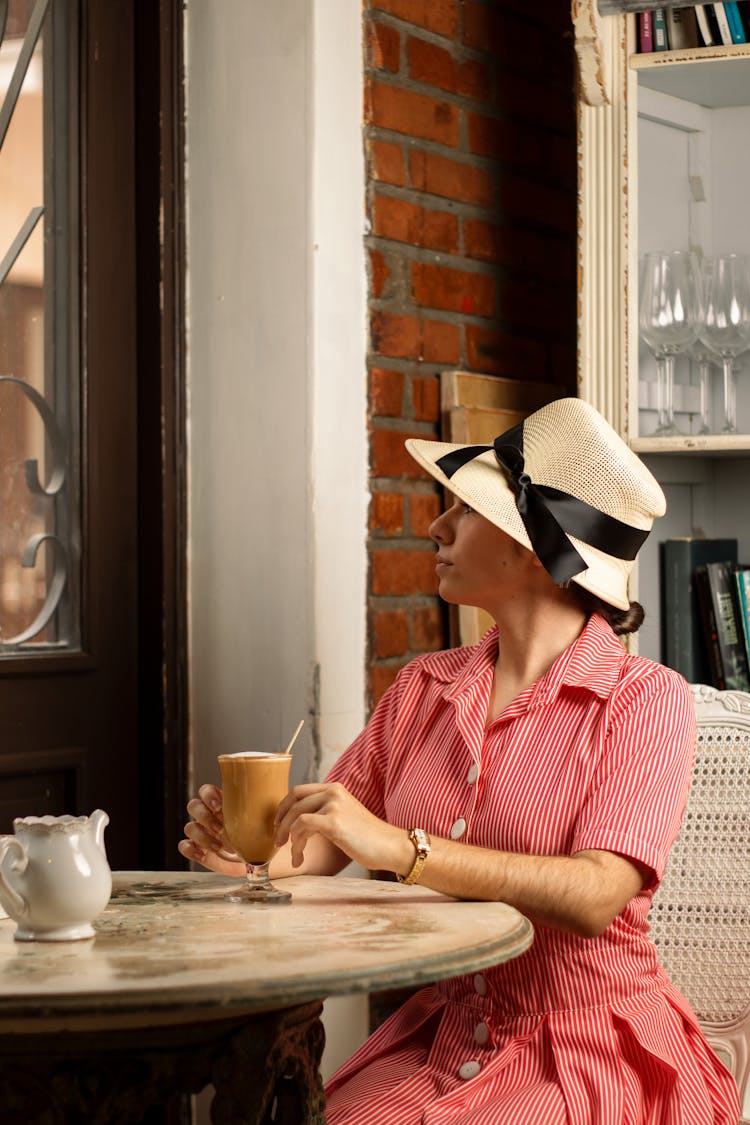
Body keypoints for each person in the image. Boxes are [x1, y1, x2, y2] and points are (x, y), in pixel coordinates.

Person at [180, 397, 741, 1124]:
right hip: (437, 1040)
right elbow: (313, 851)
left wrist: (402, 848)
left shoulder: (643, 700)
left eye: (466, 511)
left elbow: (598, 893)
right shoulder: (422, 687)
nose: (437, 528)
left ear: (533, 544)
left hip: (584, 1054)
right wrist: (247, 853)